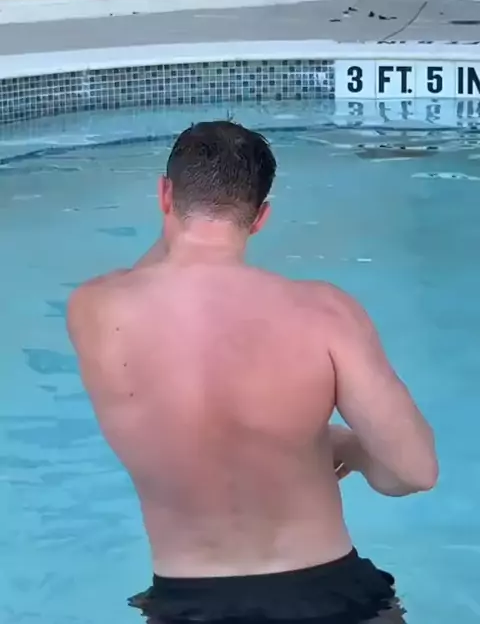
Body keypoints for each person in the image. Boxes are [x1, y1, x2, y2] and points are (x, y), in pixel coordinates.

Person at [67, 120, 438, 624]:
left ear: (164, 195)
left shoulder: (94, 309)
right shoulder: (325, 313)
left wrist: (174, 221)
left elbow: (148, 276)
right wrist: (348, 448)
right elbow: (414, 472)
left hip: (187, 603)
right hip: (333, 596)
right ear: (261, 217)